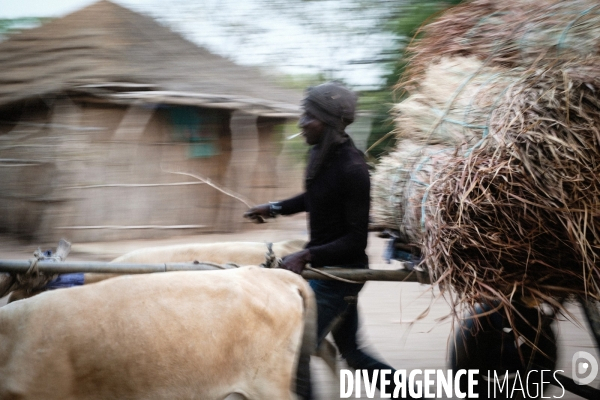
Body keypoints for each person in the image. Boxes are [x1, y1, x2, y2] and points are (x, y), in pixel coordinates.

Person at [244, 82, 406, 399]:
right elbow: (315, 198)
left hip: (340, 276)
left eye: (309, 117)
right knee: (354, 352)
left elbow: (356, 240)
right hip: (327, 269)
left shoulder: (353, 167)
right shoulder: (321, 153)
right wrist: (274, 208)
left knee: (293, 355)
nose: (301, 123)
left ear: (329, 122)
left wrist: (306, 256)